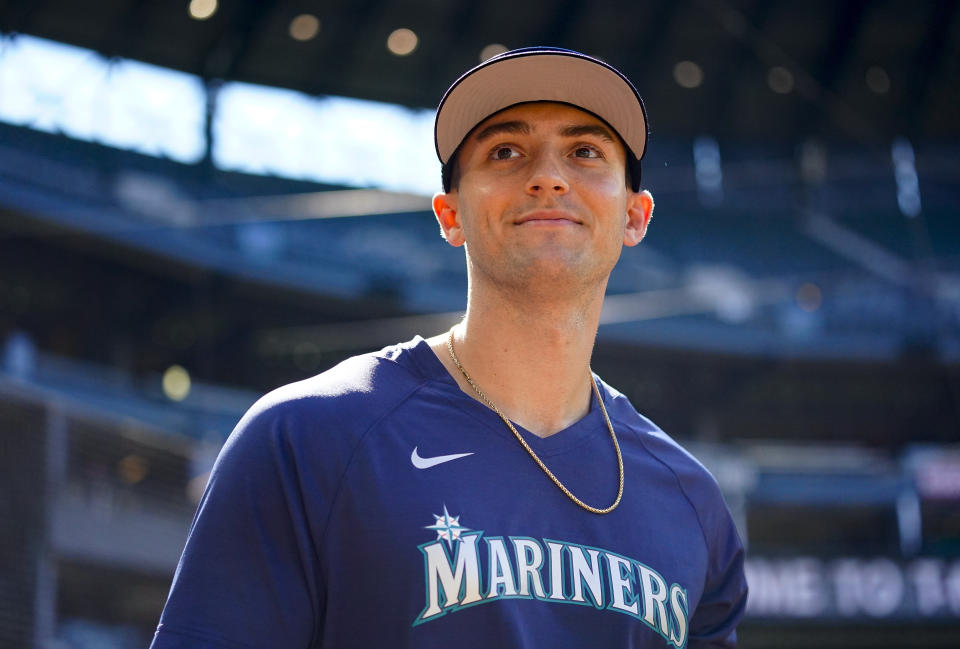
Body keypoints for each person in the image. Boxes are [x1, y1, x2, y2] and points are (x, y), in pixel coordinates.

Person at [150, 47, 747, 649]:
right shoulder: (307, 437)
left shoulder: (694, 505)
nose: (548, 176)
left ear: (634, 216)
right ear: (450, 213)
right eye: (505, 152)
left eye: (585, 152)